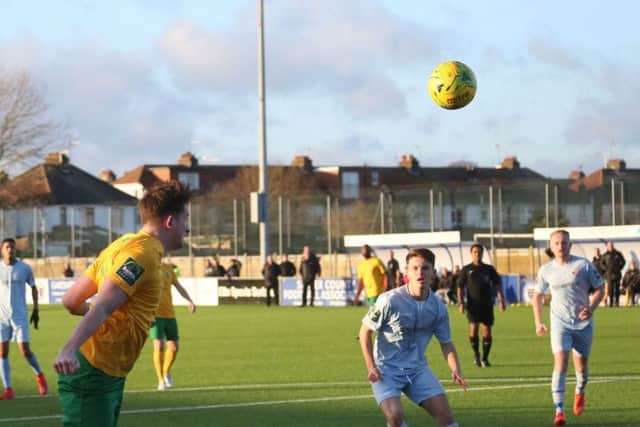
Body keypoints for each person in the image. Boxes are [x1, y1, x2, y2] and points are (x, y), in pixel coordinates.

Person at [53, 180, 191, 426]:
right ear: (170, 222)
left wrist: (103, 317)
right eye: (186, 219)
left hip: (106, 371)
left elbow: (71, 301)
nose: (188, 229)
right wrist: (69, 348)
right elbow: (105, 303)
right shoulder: (143, 255)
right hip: (93, 371)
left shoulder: (122, 244)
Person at [359, 248, 467, 427]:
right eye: (415, 268)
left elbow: (446, 343)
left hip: (417, 370)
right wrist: (371, 366)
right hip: (386, 371)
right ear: (406, 271)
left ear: (433, 272)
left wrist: (456, 369)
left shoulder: (438, 307)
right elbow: (364, 332)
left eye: (425, 268)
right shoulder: (389, 300)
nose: (420, 273)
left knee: (446, 416)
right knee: (395, 415)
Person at [532, 229, 604, 426]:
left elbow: (601, 287)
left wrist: (591, 308)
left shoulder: (583, 265)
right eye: (556, 243)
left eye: (564, 242)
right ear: (551, 247)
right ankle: (559, 410)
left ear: (570, 245)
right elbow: (537, 295)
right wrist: (539, 322)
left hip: (583, 324)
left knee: (581, 366)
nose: (560, 246)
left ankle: (580, 390)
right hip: (559, 322)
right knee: (561, 362)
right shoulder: (546, 270)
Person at [0, 237, 48, 400]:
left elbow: (34, 288)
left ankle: (40, 375)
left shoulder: (24, 268)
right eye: (7, 247)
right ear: (2, 250)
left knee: (25, 351)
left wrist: (35, 310)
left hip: (19, 316)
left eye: (12, 247)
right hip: (1, 317)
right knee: (2, 352)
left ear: (15, 250)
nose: (10, 250)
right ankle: (8, 389)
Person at [457, 244, 506, 368]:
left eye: (479, 252)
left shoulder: (489, 269)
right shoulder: (466, 269)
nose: (477, 254)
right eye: (475, 252)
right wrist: (461, 303)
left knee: (486, 331)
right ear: (471, 253)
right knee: (473, 330)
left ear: (482, 253)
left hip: (487, 305)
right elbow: (460, 287)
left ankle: (485, 358)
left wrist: (501, 301)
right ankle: (476, 355)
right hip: (473, 305)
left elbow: (497, 286)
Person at [152, 262, 196, 390]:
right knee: (159, 346)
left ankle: (166, 372)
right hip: (154, 314)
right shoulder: (148, 267)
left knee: (174, 347)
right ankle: (160, 380)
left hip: (169, 314)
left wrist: (189, 300)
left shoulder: (168, 268)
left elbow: (178, 286)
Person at [601, 241, 625, 307]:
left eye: (611, 245)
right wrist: (606, 269)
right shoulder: (605, 255)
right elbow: (602, 264)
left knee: (617, 289)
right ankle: (611, 303)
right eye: (609, 245)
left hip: (617, 274)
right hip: (609, 275)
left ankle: (617, 303)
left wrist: (619, 268)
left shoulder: (618, 253)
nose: (611, 246)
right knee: (610, 289)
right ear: (607, 246)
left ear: (613, 246)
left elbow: (623, 261)